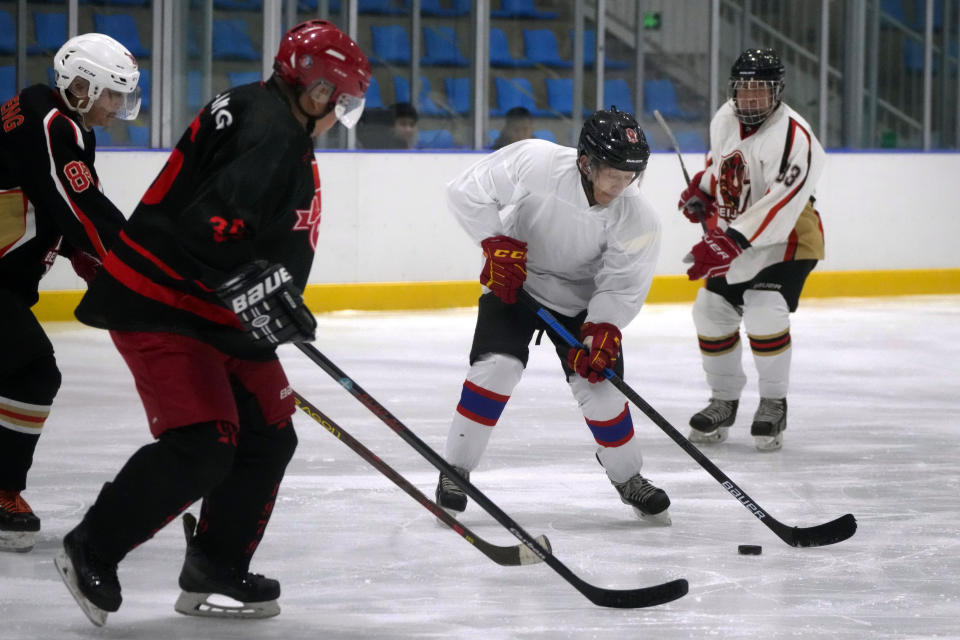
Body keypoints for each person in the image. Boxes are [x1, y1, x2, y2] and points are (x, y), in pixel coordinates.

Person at [53, 20, 370, 627]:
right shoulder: (270, 131)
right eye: (341, 100)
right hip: (167, 304)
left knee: (269, 434)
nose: (338, 114)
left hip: (217, 309)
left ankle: (215, 568)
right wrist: (257, 278)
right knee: (204, 445)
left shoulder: (261, 110)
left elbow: (228, 223)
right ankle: (92, 546)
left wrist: (263, 284)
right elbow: (210, 226)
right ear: (317, 93)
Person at [435, 107, 672, 524]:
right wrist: (495, 242)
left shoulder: (638, 217)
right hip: (517, 282)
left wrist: (602, 330)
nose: (620, 186)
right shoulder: (535, 161)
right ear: (586, 162)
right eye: (612, 174)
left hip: (582, 303)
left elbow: (621, 285)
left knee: (601, 388)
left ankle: (628, 477)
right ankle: (455, 469)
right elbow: (465, 191)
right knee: (497, 368)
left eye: (629, 176)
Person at [0, 33, 141, 553]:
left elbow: (38, 198)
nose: (116, 107)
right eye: (109, 94)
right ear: (79, 86)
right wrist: (137, 268)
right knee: (33, 370)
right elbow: (82, 207)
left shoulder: (45, 114)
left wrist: (77, 254)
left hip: (6, 280)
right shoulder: (52, 124)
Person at [676, 48, 825, 452]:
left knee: (763, 308)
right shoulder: (725, 117)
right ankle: (723, 400)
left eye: (761, 90)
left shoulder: (796, 136)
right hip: (737, 240)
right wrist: (703, 192)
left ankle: (774, 403)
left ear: (777, 92)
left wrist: (732, 240)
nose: (752, 99)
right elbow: (723, 166)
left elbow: (782, 202)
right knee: (710, 311)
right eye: (745, 89)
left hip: (788, 240)